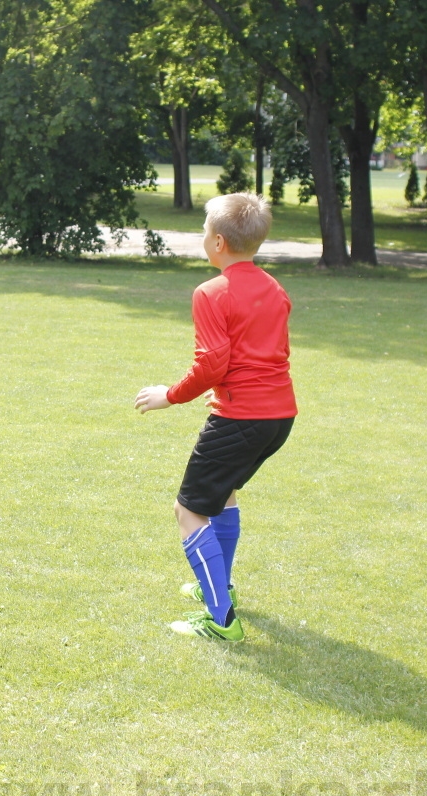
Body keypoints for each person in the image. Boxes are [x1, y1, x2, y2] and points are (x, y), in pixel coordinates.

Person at [134, 193, 296, 641]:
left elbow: (212, 365)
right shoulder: (274, 287)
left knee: (188, 510)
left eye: (205, 231)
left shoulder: (211, 292)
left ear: (219, 242)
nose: (203, 238)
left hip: (242, 419)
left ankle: (221, 618)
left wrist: (170, 395)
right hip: (279, 417)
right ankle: (219, 586)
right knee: (223, 496)